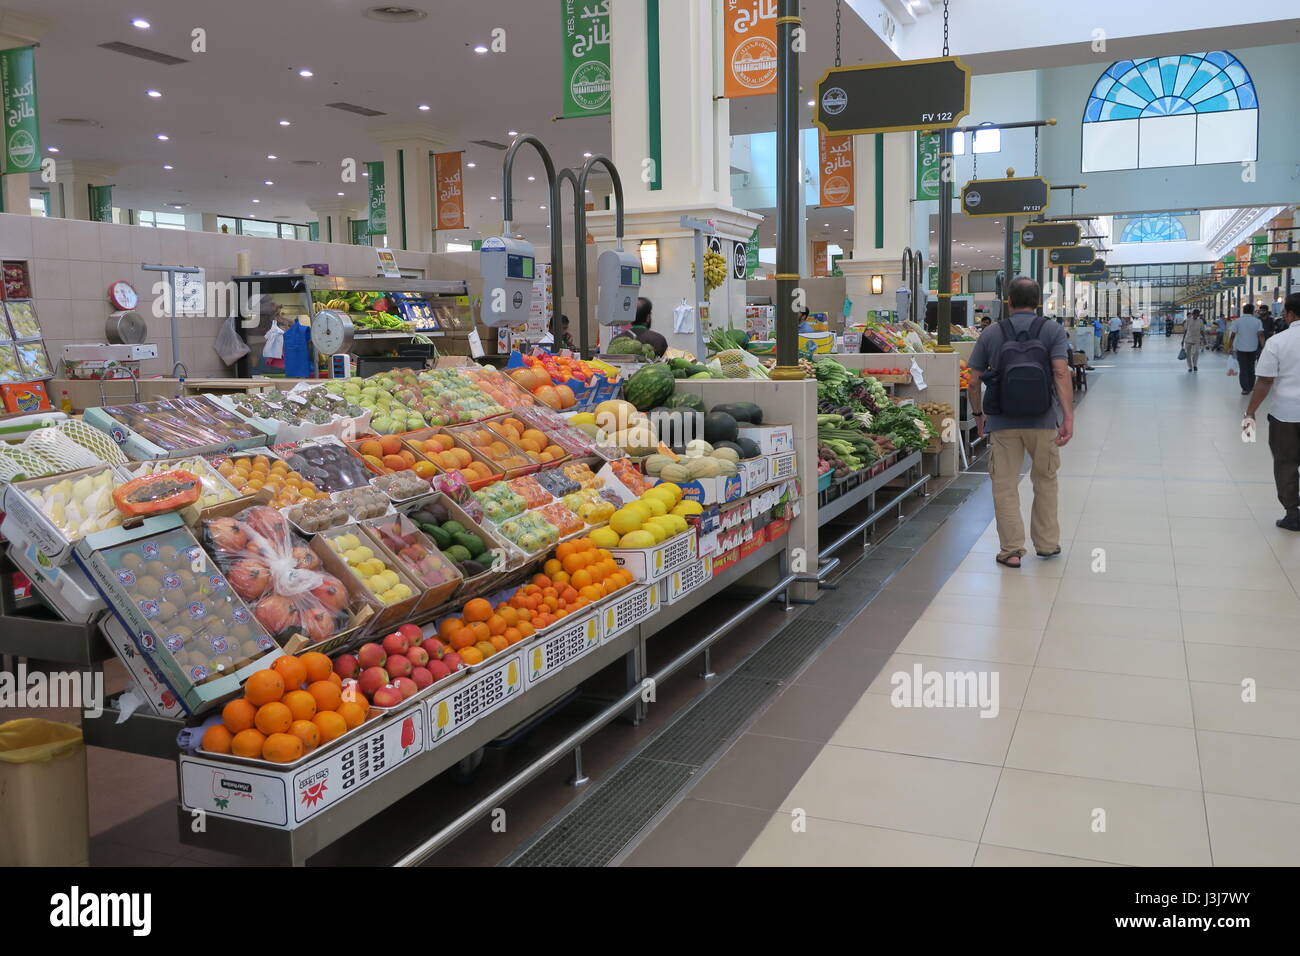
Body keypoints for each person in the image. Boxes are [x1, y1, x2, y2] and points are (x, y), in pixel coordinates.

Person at [967, 276, 1074, 568]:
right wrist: (1067, 417)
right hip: (1043, 419)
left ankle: (1012, 550)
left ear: (1008, 301)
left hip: (1003, 421)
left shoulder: (991, 333)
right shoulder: (1052, 330)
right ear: (1038, 302)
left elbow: (973, 381)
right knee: (1046, 480)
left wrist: (979, 416)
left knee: (1004, 486)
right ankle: (1048, 544)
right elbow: (1061, 374)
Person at [1245, 292, 1300, 531]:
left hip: (1286, 415)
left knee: (1286, 462)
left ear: (1288, 314)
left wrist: (1250, 412)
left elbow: (1265, 380)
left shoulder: (1278, 342)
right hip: (1286, 413)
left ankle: (1292, 513)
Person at [1231, 304, 1264, 396]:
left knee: (1243, 369)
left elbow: (1233, 335)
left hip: (1241, 349)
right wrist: (1264, 347)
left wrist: (1230, 347)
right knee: (1251, 368)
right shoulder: (1257, 321)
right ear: (1252, 311)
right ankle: (1251, 386)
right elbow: (1261, 335)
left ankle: (1245, 389)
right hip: (1253, 348)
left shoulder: (1237, 321)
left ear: (1243, 310)